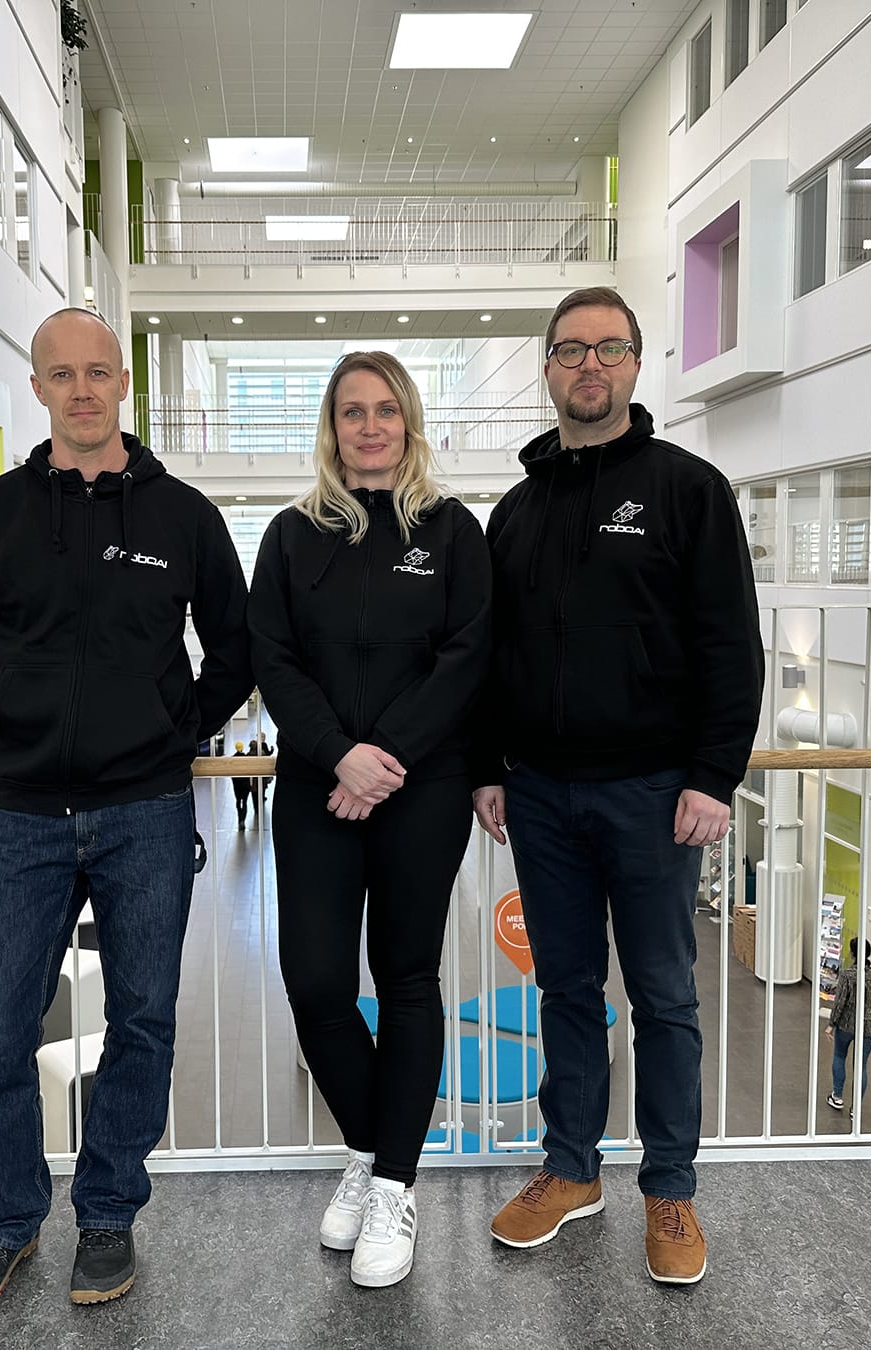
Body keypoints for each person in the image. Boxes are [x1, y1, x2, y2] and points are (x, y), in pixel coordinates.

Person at [0, 307, 252, 1316]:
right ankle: (6, 1229)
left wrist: (169, 733)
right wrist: (19, 732)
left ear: (122, 384)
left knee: (142, 1021)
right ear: (38, 390)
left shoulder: (182, 517)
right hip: (23, 813)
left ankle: (107, 1218)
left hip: (146, 811)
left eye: (98, 372)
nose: (82, 389)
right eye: (61, 374)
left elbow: (235, 651)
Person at [469, 287, 763, 1285]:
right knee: (564, 990)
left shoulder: (689, 489)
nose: (588, 366)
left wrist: (714, 775)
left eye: (609, 349)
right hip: (542, 795)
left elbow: (731, 644)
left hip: (651, 793)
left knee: (666, 995)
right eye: (569, 351)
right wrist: (487, 768)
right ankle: (571, 1168)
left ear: (637, 366)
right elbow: (488, 655)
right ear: (547, 369)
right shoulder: (515, 511)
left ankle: (669, 1189)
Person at [249, 351, 491, 1289]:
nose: (370, 426)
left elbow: (466, 658)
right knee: (313, 982)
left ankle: (394, 1183)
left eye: (386, 410)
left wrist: (383, 757)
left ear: (409, 420)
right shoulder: (290, 535)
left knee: (405, 979)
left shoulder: (451, 530)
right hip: (318, 784)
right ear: (332, 427)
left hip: (420, 787)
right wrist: (337, 755)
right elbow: (272, 657)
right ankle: (369, 1149)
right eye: (352, 412)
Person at [827, 938, 871, 1112]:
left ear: (853, 953)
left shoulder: (847, 975)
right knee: (861, 1065)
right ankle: (856, 1109)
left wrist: (832, 1024)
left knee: (839, 1056)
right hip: (869, 1028)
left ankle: (837, 1096)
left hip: (846, 1025)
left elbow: (839, 1003)